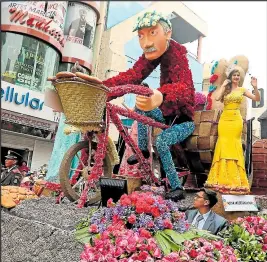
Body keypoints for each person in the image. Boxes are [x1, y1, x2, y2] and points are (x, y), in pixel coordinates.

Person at [102, 11, 195, 201]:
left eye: (153, 33)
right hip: (165, 115)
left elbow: (184, 88)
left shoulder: (177, 53)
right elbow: (132, 75)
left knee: (162, 142)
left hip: (183, 121)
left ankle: (177, 188)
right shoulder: (154, 52)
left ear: (167, 33)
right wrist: (103, 89)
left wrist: (161, 95)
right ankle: (143, 150)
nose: (146, 42)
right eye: (141, 36)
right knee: (141, 107)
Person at [205, 65, 260, 194]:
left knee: (234, 145)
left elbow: (257, 99)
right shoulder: (225, 89)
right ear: (230, 77)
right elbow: (217, 98)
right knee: (223, 144)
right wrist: (223, 85)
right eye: (234, 75)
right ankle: (220, 179)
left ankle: (235, 181)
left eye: (238, 75)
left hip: (236, 120)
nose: (236, 77)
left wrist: (255, 87)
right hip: (224, 120)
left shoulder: (242, 90)